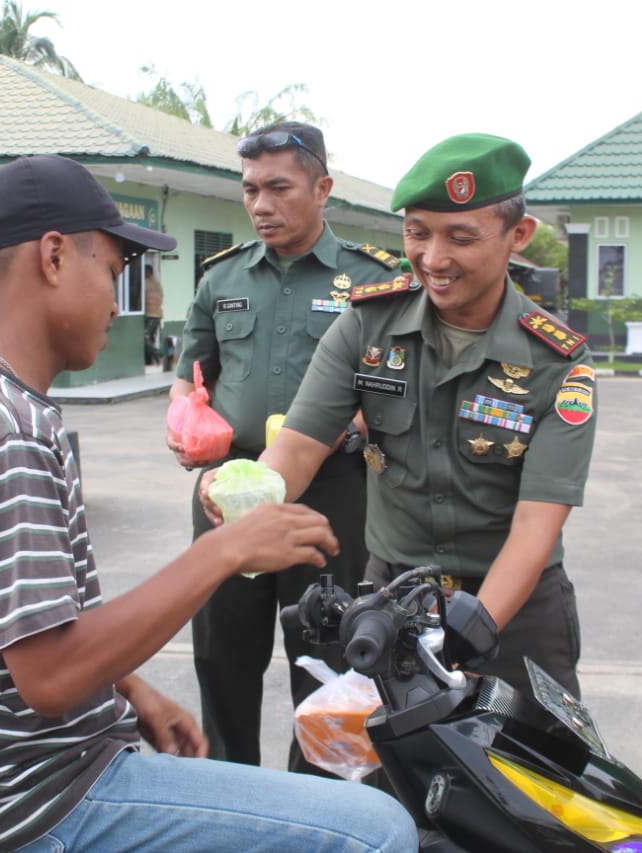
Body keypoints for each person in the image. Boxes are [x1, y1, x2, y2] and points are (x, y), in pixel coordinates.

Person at [0, 153, 417, 853]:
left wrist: (131, 689)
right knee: (379, 830)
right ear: (52, 258)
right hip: (38, 798)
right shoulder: (5, 434)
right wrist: (223, 549)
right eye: (111, 272)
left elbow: (29, 624)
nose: (117, 302)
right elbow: (49, 676)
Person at [204, 134, 596, 699]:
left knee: (533, 780)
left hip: (516, 610)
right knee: (389, 782)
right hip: (395, 603)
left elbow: (537, 526)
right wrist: (245, 492)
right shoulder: (367, 326)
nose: (434, 259)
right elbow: (297, 448)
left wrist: (469, 631)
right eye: (417, 233)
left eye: (461, 237)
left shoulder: (557, 361)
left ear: (518, 236)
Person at [166, 121, 401, 772]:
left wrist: (356, 424)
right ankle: (233, 796)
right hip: (228, 493)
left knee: (328, 663)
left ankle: (317, 804)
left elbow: (395, 386)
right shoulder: (221, 279)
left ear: (322, 187)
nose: (261, 205)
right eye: (249, 190)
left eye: (278, 188)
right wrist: (184, 421)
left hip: (329, 497)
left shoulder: (371, 281)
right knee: (221, 656)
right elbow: (192, 376)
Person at [143, 257, 164, 365]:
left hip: (151, 315)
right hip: (158, 315)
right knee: (151, 337)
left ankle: (158, 355)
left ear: (148, 272)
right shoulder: (157, 283)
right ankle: (151, 361)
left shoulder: (145, 283)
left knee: (145, 337)